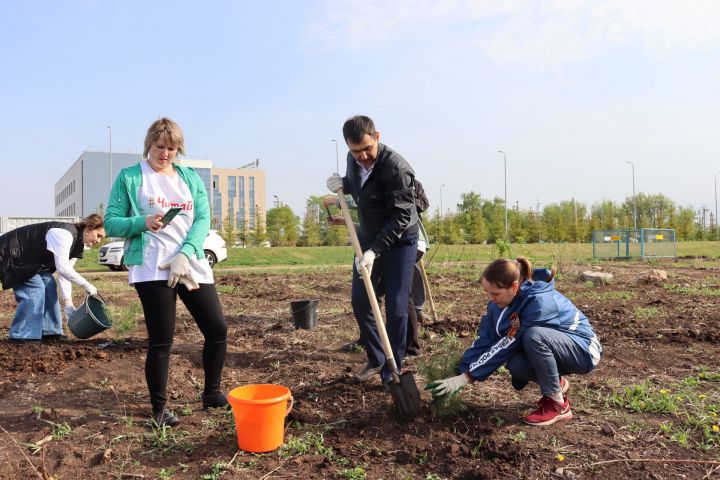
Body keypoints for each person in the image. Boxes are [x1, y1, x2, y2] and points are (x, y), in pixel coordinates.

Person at [104, 117, 228, 427]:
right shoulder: (131, 177)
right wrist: (141, 222)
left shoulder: (188, 177)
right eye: (160, 147)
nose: (165, 153)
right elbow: (111, 222)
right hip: (152, 266)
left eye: (172, 148)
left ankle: (211, 392)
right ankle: (159, 411)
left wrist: (186, 253)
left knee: (217, 330)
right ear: (149, 145)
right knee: (162, 340)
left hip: (189, 263)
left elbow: (202, 219)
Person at [426, 257, 603, 426]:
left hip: (583, 350)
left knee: (534, 337)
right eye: (487, 293)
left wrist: (467, 377)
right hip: (559, 348)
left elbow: (510, 341)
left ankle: (558, 405)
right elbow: (486, 339)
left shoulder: (539, 303)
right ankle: (556, 382)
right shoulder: (499, 304)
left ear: (514, 287)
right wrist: (459, 370)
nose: (491, 299)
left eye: (495, 293)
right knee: (516, 363)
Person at [326, 115, 419, 387]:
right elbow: (359, 186)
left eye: (368, 148)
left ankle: (393, 368)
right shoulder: (352, 159)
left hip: (400, 240)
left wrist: (374, 251)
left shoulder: (396, 168)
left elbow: (401, 217)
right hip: (368, 238)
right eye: (356, 151)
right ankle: (377, 356)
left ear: (377, 136)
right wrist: (342, 183)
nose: (363, 156)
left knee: (397, 305)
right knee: (360, 300)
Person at [0, 215, 105, 342]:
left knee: (48, 283)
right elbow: (63, 268)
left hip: (31, 262)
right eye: (98, 235)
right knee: (35, 288)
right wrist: (87, 285)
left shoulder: (76, 245)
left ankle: (50, 331)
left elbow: (65, 275)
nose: (99, 241)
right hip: (11, 254)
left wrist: (68, 303)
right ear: (89, 227)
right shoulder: (64, 234)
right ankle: (22, 335)